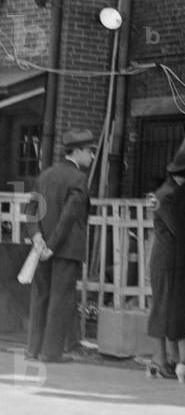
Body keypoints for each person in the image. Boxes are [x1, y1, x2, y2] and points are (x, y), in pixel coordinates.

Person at [25, 129, 95, 363]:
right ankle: (51, 352)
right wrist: (52, 246)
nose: (92, 156)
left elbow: (32, 210)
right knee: (60, 299)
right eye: (89, 151)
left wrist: (37, 238)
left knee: (40, 297)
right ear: (76, 151)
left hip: (41, 247)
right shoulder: (78, 179)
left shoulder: (43, 176)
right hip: (64, 249)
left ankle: (33, 349)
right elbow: (69, 216)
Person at [146, 145, 185, 379]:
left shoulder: (164, 192)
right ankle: (159, 358)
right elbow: (178, 228)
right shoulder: (168, 196)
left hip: (165, 255)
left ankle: (167, 358)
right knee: (162, 308)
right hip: (168, 257)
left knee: (167, 307)